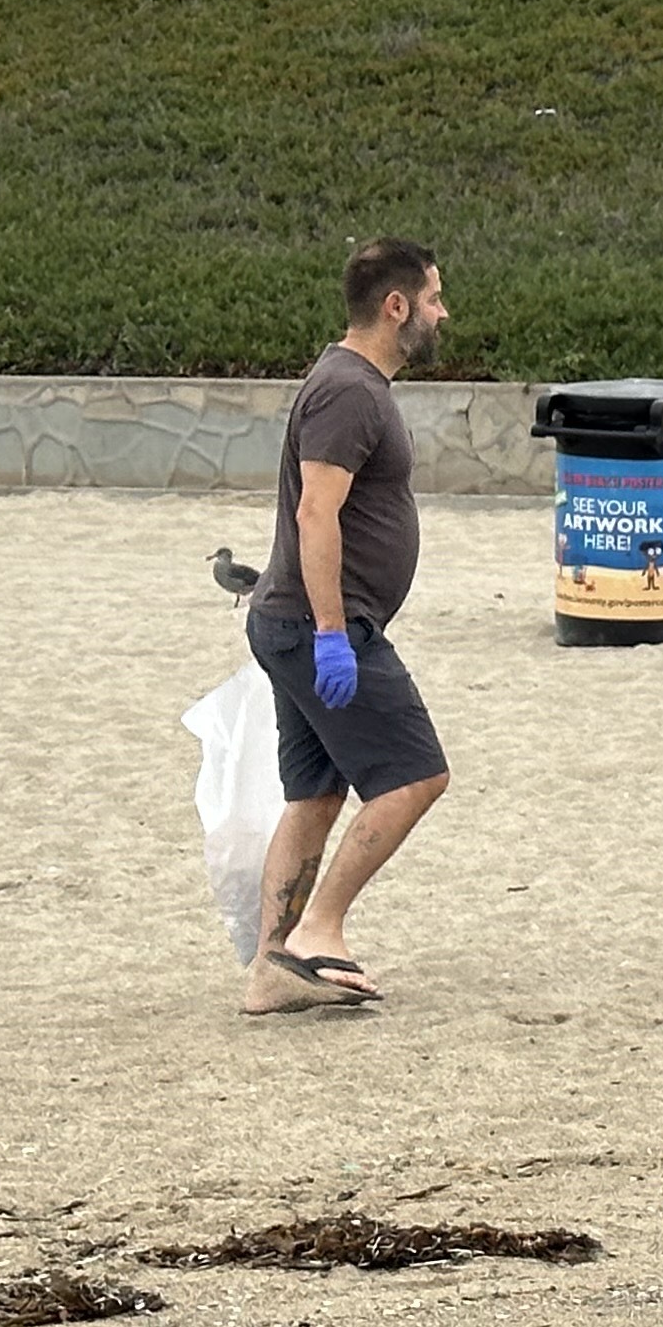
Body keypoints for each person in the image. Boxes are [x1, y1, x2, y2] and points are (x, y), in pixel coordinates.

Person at [240, 237, 454, 1015]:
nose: (441, 313)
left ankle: (270, 970)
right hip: (318, 628)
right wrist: (333, 633)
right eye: (432, 299)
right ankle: (316, 932)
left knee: (316, 795)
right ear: (395, 307)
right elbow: (316, 512)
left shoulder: (350, 385)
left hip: (297, 623)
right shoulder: (350, 392)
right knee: (416, 777)